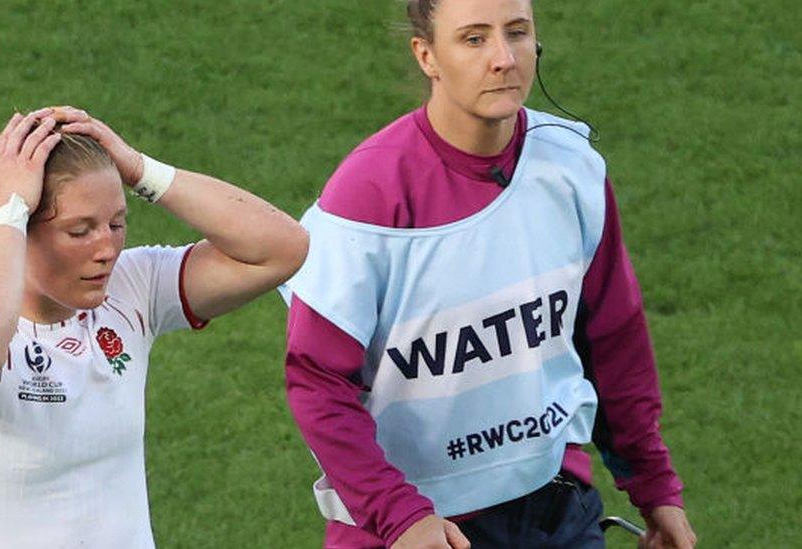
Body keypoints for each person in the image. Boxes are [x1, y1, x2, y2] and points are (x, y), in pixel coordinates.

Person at [282, 1, 697, 547]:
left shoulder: (569, 166)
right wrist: (400, 515)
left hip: (553, 510)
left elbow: (612, 336)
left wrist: (655, 486)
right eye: (474, 39)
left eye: (517, 33)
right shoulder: (368, 197)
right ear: (427, 55)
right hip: (414, 528)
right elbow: (317, 381)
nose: (503, 58)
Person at [0, 106, 308, 548]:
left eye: (116, 224)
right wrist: (9, 208)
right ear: (20, 230)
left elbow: (282, 248)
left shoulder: (132, 289)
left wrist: (138, 168)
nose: (107, 250)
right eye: (80, 231)